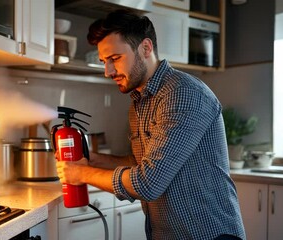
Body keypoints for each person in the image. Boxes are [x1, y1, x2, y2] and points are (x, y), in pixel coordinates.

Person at [55, 9, 246, 240]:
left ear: (145, 48)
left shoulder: (181, 94)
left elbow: (148, 183)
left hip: (207, 234)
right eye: (104, 62)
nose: (108, 71)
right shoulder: (140, 101)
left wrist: (82, 173)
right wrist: (96, 159)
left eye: (115, 59)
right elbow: (140, 164)